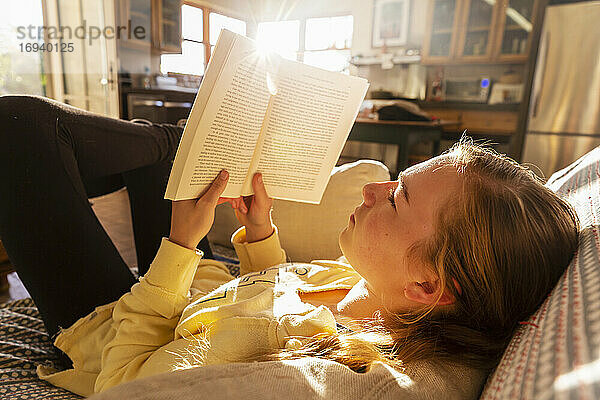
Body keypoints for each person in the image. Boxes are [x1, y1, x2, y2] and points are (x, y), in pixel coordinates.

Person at [0, 95, 579, 397]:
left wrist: (179, 247)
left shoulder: (311, 358)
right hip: (183, 286)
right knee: (190, 148)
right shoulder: (374, 289)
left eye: (398, 198)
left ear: (428, 284)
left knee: (18, 126)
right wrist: (259, 238)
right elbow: (275, 293)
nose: (376, 187)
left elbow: (128, 380)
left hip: (111, 329)